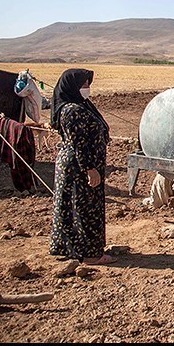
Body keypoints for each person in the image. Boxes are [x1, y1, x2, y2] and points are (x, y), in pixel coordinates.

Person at [48, 68, 115, 265]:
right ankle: (91, 254)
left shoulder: (81, 105)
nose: (87, 88)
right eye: (83, 84)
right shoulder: (71, 110)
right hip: (78, 167)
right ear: (72, 86)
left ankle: (73, 249)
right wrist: (90, 168)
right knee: (83, 207)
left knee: (77, 206)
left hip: (82, 165)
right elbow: (79, 144)